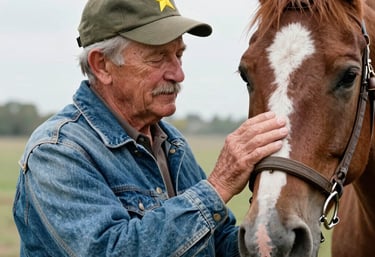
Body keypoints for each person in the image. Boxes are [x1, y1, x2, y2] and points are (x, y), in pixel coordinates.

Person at [13, 0, 288, 256]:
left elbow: (215, 242)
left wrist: (275, 235)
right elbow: (112, 249)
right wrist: (218, 186)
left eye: (179, 54)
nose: (178, 74)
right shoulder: (56, 152)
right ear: (102, 65)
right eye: (157, 58)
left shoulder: (171, 142)